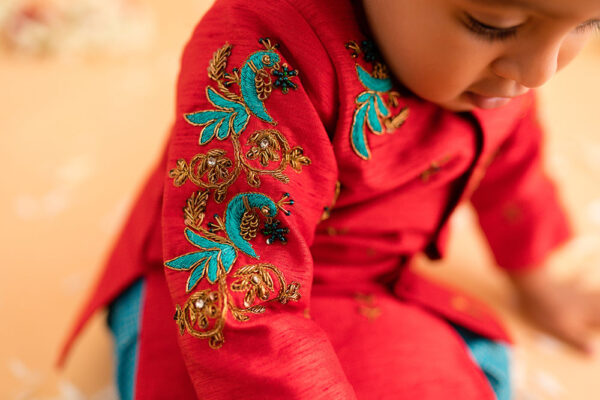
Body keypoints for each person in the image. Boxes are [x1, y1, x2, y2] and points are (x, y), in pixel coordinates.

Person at [58, 0, 600, 398]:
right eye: (492, 24)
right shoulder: (265, 54)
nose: (539, 72)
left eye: (588, 23)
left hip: (365, 288)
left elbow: (511, 149)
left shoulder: (505, 63)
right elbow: (237, 291)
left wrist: (537, 274)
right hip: (228, 301)